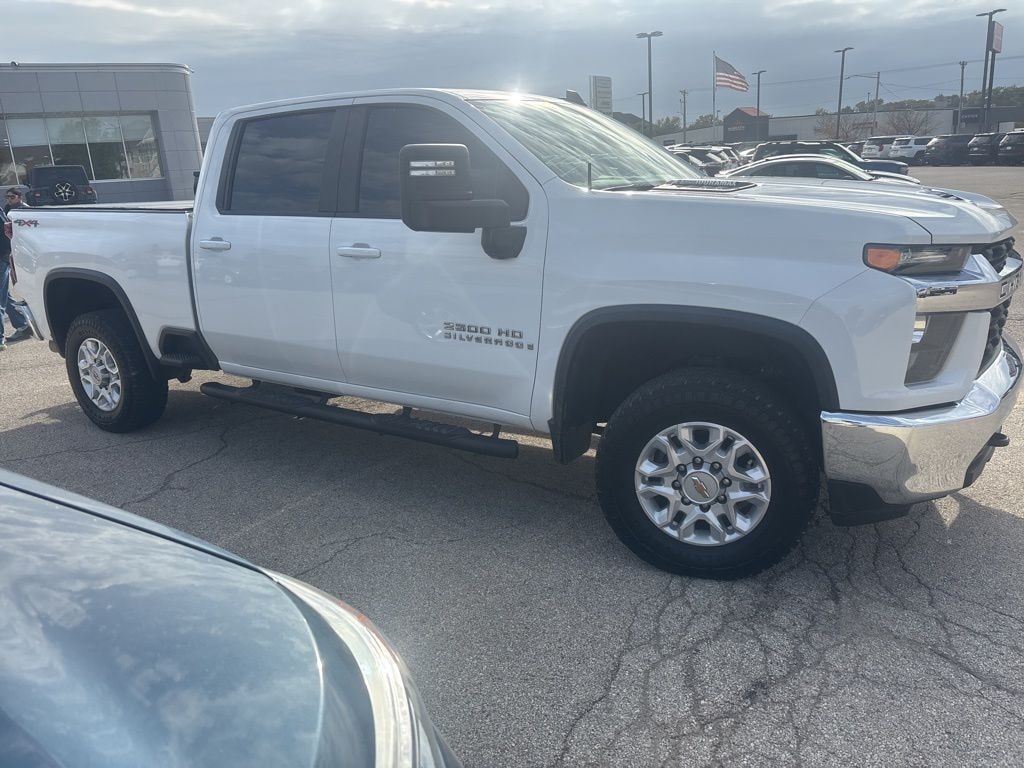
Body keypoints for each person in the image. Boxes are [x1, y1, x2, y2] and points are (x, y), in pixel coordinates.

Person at [0, 188, 32, 350]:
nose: (9, 199)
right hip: (8, 255)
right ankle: (23, 325)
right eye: (8, 197)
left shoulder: (25, 210)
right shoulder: (7, 209)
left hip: (8, 256)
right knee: (4, 295)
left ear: (19, 197)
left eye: (12, 197)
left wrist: (7, 255)